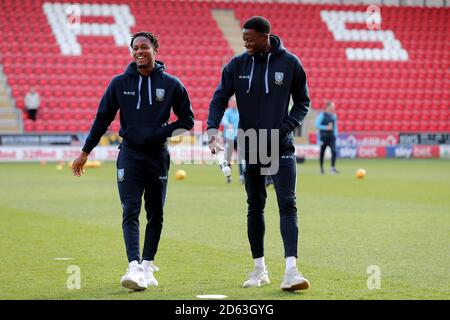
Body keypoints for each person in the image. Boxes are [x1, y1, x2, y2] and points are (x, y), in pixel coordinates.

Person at [71, 32, 194, 291]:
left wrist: (159, 133)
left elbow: (187, 122)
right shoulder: (119, 83)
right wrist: (85, 151)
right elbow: (102, 119)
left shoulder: (172, 85)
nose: (139, 51)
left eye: (144, 47)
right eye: (135, 48)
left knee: (156, 213)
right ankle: (134, 266)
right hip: (129, 154)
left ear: (155, 50)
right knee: (130, 210)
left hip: (158, 156)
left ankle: (148, 265)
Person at [207, 16, 311, 291]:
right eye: (243, 40)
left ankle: (291, 270)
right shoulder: (237, 65)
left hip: (280, 146)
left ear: (266, 36)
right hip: (250, 145)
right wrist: (211, 128)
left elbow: (303, 102)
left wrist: (285, 127)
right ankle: (259, 269)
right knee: (255, 207)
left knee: (288, 204)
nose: (246, 44)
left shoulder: (290, 63)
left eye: (250, 39)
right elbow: (219, 97)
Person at [222, 95, 244, 184]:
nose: (234, 104)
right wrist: (228, 125)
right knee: (228, 157)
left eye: (235, 102)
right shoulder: (227, 112)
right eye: (233, 102)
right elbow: (224, 121)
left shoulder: (240, 112)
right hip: (229, 138)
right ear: (230, 103)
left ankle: (242, 176)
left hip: (239, 137)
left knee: (241, 158)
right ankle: (228, 176)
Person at [315, 101, 339, 175]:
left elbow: (334, 127)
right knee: (322, 153)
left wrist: (336, 134)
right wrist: (326, 127)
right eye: (333, 106)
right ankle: (322, 169)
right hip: (324, 137)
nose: (334, 107)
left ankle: (332, 168)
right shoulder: (322, 115)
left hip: (332, 137)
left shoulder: (334, 116)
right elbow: (317, 125)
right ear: (328, 106)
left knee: (334, 152)